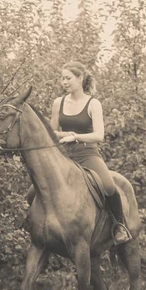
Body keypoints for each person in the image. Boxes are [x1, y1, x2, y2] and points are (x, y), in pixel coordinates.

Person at [51, 61, 132, 245]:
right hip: (63, 155)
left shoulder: (93, 104)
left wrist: (76, 137)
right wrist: (66, 135)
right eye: (62, 78)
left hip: (87, 154)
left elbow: (99, 135)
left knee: (109, 185)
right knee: (37, 186)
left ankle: (119, 226)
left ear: (80, 78)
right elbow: (52, 132)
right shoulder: (58, 103)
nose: (64, 82)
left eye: (68, 78)